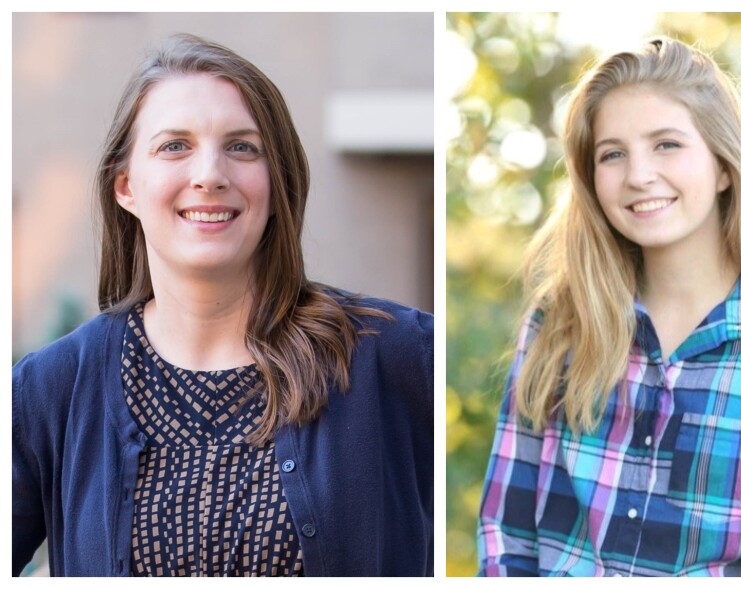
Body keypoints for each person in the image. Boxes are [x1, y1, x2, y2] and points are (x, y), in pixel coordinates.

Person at [12, 33, 433, 577]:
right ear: (126, 188)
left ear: (275, 180)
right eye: (174, 146)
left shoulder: (395, 355)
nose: (210, 174)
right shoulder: (52, 390)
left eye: (242, 147)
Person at [477, 37, 741, 577]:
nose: (638, 175)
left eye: (666, 145)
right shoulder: (559, 322)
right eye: (613, 154)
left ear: (724, 166)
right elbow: (507, 539)